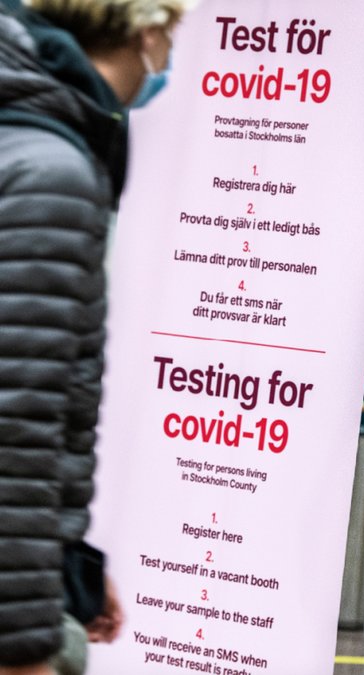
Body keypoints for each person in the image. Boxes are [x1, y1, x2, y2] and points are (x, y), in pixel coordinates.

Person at [0, 1, 184, 673]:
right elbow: (17, 425)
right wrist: (22, 641)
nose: (167, 59)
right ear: (146, 32)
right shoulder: (53, 169)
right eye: (170, 37)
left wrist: (65, 564)